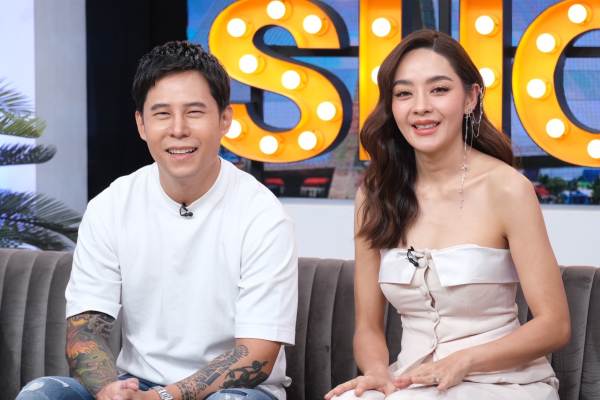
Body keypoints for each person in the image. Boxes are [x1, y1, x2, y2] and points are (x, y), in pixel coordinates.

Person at [17, 41, 298, 400]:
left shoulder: (262, 214)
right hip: (137, 384)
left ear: (225, 119)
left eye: (194, 112)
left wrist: (163, 397)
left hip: (236, 391)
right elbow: (85, 331)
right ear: (142, 124)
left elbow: (257, 355)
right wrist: (110, 390)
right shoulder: (111, 205)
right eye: (162, 114)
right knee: (41, 393)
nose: (178, 129)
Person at [325, 29, 570, 400]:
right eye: (404, 93)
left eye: (439, 89)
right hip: (411, 381)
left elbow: (555, 325)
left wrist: (464, 361)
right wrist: (376, 373)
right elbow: (368, 328)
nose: (421, 106)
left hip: (504, 382)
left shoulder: (507, 189)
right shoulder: (374, 196)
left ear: (471, 98)